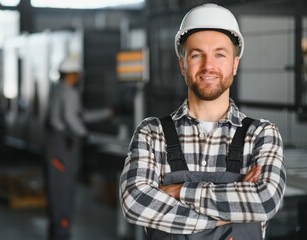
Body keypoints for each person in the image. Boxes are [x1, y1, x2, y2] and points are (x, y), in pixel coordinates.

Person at [119, 3, 286, 240]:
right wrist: (225, 215)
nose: (209, 66)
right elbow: (134, 202)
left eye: (220, 54)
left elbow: (265, 200)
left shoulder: (261, 134)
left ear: (234, 64)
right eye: (197, 55)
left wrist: (179, 191)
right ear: (183, 64)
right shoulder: (152, 133)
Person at [45, 56, 113, 240]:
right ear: (72, 74)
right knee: (63, 190)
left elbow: (79, 115)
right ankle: (62, 232)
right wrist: (85, 135)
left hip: (60, 146)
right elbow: (71, 119)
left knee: (59, 190)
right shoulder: (68, 92)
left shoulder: (59, 91)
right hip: (63, 147)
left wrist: (106, 113)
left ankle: (57, 231)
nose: (79, 78)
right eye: (77, 74)